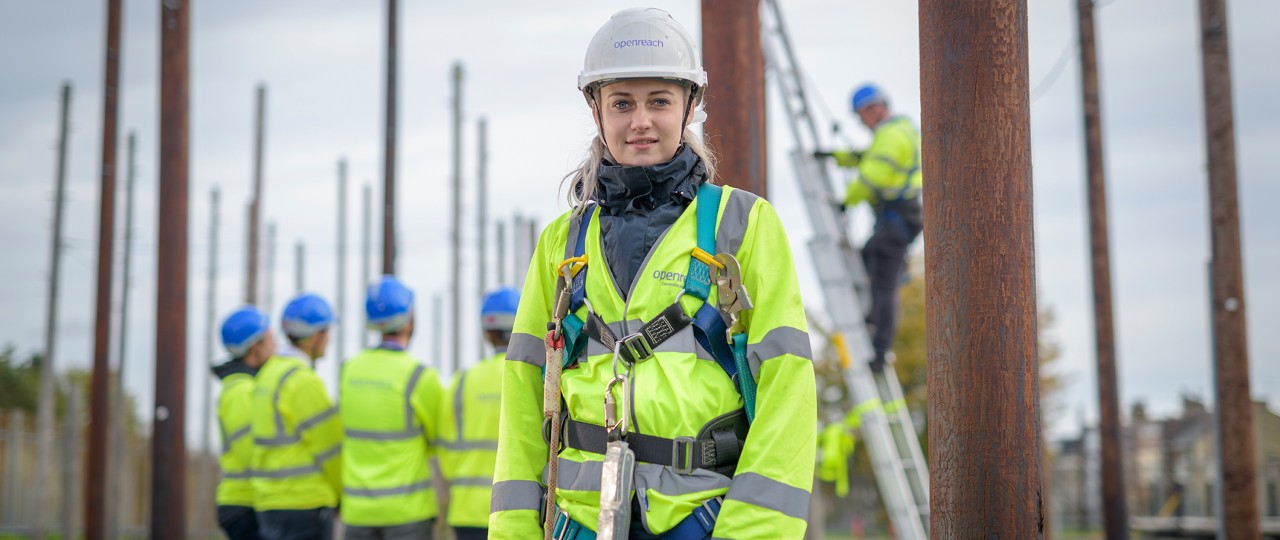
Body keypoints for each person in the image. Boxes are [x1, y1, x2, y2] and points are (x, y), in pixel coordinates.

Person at [489, 8, 816, 539]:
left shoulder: (742, 225)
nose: (640, 121)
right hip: (579, 520)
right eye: (622, 103)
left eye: (659, 101)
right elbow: (525, 395)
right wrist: (513, 531)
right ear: (596, 111)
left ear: (690, 106)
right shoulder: (562, 243)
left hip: (703, 519)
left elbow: (787, 387)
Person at [814, 83, 923, 372]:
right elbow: (865, 159)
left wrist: (844, 203)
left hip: (896, 218)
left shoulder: (891, 136)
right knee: (868, 259)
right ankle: (871, 318)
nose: (862, 121)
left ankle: (879, 349)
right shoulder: (896, 133)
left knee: (883, 282)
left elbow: (871, 176)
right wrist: (835, 158)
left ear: (874, 109)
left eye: (862, 115)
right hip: (897, 218)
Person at [340, 276, 444, 539]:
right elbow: (435, 438)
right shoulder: (419, 376)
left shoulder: (349, 370)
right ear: (410, 318)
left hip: (357, 513)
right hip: (408, 514)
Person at [252, 293, 343, 540]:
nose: (329, 339)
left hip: (269, 503)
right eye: (327, 332)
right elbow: (330, 449)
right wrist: (342, 496)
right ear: (315, 337)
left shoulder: (267, 375)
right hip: (305, 504)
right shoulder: (303, 381)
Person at [439, 287, 518, 540]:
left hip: (467, 511)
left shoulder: (462, 381)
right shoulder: (533, 378)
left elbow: (444, 446)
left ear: (486, 332)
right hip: (517, 509)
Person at [214, 306, 276, 540]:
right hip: (244, 503)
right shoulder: (242, 391)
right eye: (270, 339)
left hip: (245, 501)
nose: (275, 345)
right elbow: (251, 453)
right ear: (255, 347)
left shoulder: (241, 387)